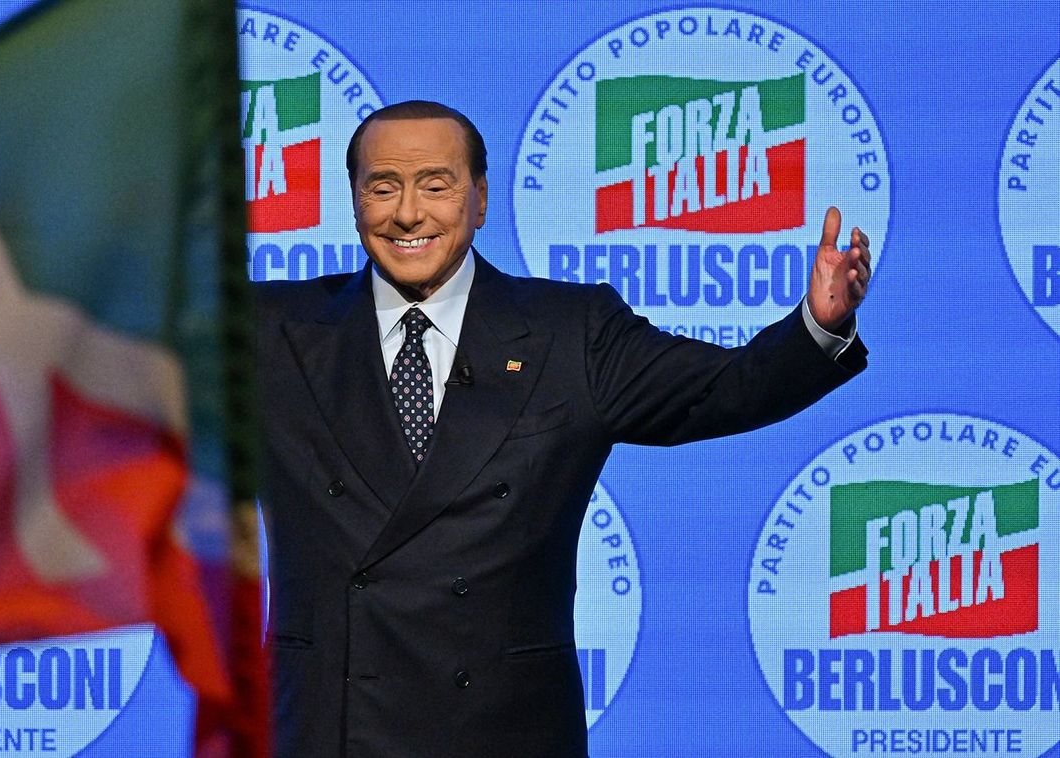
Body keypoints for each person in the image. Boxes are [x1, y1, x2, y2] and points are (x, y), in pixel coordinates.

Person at [254, 100, 869, 758]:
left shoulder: (568, 333)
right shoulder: (267, 332)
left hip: (503, 730)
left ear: (480, 198)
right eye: (383, 187)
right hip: (328, 730)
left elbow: (726, 389)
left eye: (436, 185)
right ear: (353, 200)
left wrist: (816, 323)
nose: (408, 213)